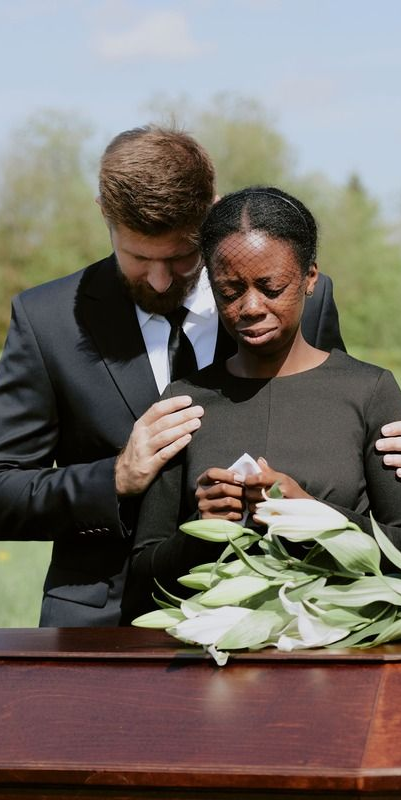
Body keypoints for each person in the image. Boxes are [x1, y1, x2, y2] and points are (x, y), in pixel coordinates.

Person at [0, 128, 345, 627]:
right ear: (104, 212)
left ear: (213, 209)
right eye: (138, 258)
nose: (160, 280)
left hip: (277, 613)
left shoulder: (297, 303)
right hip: (103, 628)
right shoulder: (44, 320)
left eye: (182, 257)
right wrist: (114, 478)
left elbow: (343, 440)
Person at [121, 186, 401, 621]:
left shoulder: (370, 391)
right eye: (230, 291)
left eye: (271, 287)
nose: (250, 307)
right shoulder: (185, 402)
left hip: (344, 667)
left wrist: (316, 517)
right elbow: (142, 576)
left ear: (310, 277)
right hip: (215, 672)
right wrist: (203, 529)